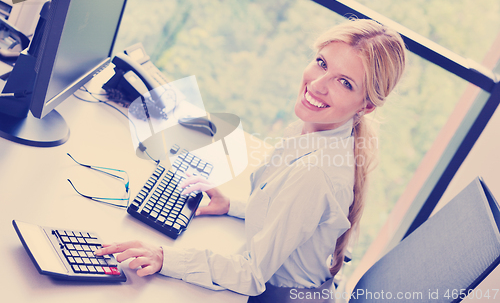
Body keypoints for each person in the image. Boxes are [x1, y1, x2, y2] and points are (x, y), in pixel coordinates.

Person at [95, 18, 406, 302]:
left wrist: (165, 257)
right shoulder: (318, 131)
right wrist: (233, 206)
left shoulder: (315, 172)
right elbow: (291, 215)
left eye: (344, 82)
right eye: (321, 63)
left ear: (365, 106)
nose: (318, 84)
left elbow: (252, 274)